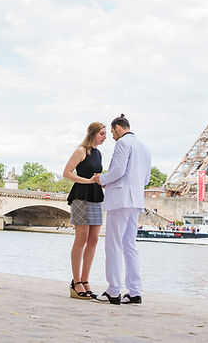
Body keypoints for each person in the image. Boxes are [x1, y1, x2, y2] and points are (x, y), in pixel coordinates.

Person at [94, 113, 151, 305]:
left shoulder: (123, 144)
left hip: (120, 200)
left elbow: (118, 171)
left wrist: (100, 179)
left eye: (112, 132)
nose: (111, 137)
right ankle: (134, 291)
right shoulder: (145, 148)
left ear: (118, 128)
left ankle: (113, 289)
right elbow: (146, 180)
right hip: (136, 201)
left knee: (113, 244)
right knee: (130, 245)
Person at [62, 121, 107, 300]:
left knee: (94, 239)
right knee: (81, 239)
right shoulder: (81, 151)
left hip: (96, 196)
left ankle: (86, 279)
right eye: (102, 134)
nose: (105, 137)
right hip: (81, 195)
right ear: (93, 133)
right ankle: (76, 281)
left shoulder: (99, 153)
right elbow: (67, 172)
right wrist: (87, 180)